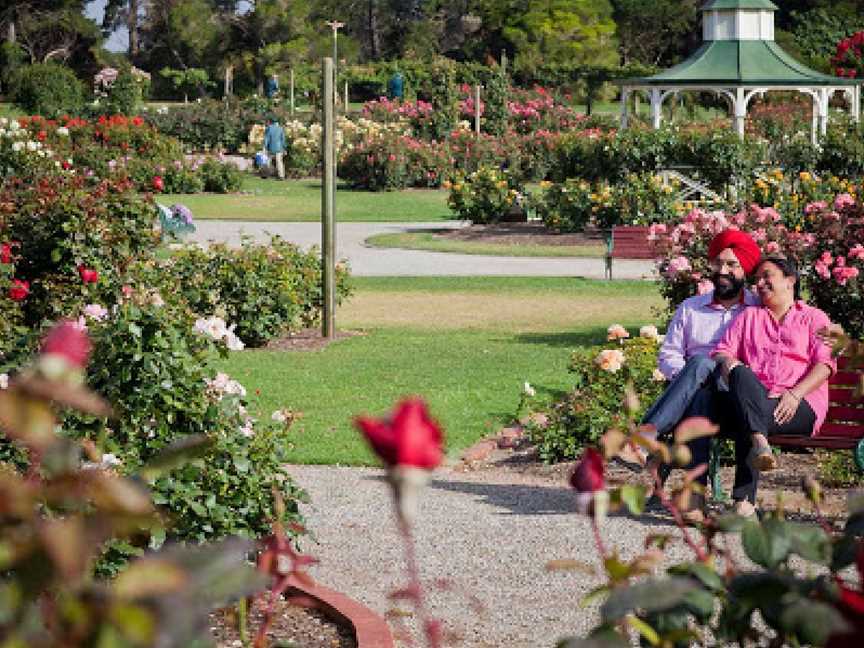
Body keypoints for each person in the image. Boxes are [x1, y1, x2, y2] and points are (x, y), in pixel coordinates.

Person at [711, 256, 835, 518]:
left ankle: (744, 502)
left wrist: (795, 394)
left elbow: (825, 365)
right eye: (757, 279)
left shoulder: (814, 318)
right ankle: (759, 442)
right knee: (740, 373)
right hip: (758, 398)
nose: (760, 283)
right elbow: (722, 352)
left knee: (747, 412)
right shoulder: (749, 317)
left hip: (801, 404)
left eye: (768, 276)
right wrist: (730, 363)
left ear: (790, 280)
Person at [263, 116, 286, 180]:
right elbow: (283, 139)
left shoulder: (269, 128)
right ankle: (281, 176)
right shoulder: (281, 128)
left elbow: (267, 139)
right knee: (279, 162)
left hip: (271, 147)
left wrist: (265, 147)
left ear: (270, 122)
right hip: (279, 148)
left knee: (267, 161)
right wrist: (284, 148)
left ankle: (266, 174)